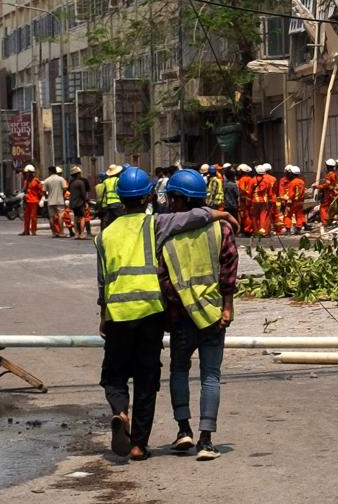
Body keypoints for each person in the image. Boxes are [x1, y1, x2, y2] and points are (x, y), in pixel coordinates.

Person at [95, 164, 226, 463]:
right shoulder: (155, 224)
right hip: (151, 311)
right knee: (146, 377)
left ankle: (120, 412)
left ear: (120, 198)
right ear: (148, 196)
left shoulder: (104, 236)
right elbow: (190, 217)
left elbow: (102, 280)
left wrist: (103, 315)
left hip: (117, 312)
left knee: (114, 376)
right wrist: (220, 214)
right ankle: (139, 445)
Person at [159, 167, 237, 460]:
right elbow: (229, 271)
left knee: (179, 370)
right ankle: (206, 440)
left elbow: (163, 277)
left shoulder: (167, 232)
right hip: (214, 314)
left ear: (181, 199)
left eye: (172, 198)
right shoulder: (221, 229)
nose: (170, 203)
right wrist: (227, 307)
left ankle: (183, 431)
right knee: (211, 375)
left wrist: (173, 309)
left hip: (181, 317)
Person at [68, 166, 93, 240]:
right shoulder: (81, 182)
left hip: (73, 203)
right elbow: (83, 194)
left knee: (76, 217)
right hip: (79, 202)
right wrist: (86, 202)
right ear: (78, 174)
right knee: (82, 217)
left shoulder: (71, 183)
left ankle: (76, 233)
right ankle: (82, 233)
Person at [43, 167, 69, 237]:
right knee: (60, 216)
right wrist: (62, 195)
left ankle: (54, 233)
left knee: (51, 217)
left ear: (50, 172)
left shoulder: (47, 180)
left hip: (50, 201)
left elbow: (44, 191)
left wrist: (47, 196)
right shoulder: (61, 179)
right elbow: (65, 188)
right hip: (60, 201)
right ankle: (61, 232)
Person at [21, 164, 42, 236]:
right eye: (26, 173)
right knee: (26, 217)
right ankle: (26, 231)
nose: (26, 174)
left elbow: (40, 191)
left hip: (34, 201)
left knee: (33, 217)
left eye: (28, 173)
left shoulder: (36, 181)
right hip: (27, 201)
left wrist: (40, 199)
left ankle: (33, 230)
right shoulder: (26, 181)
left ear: (31, 173)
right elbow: (24, 190)